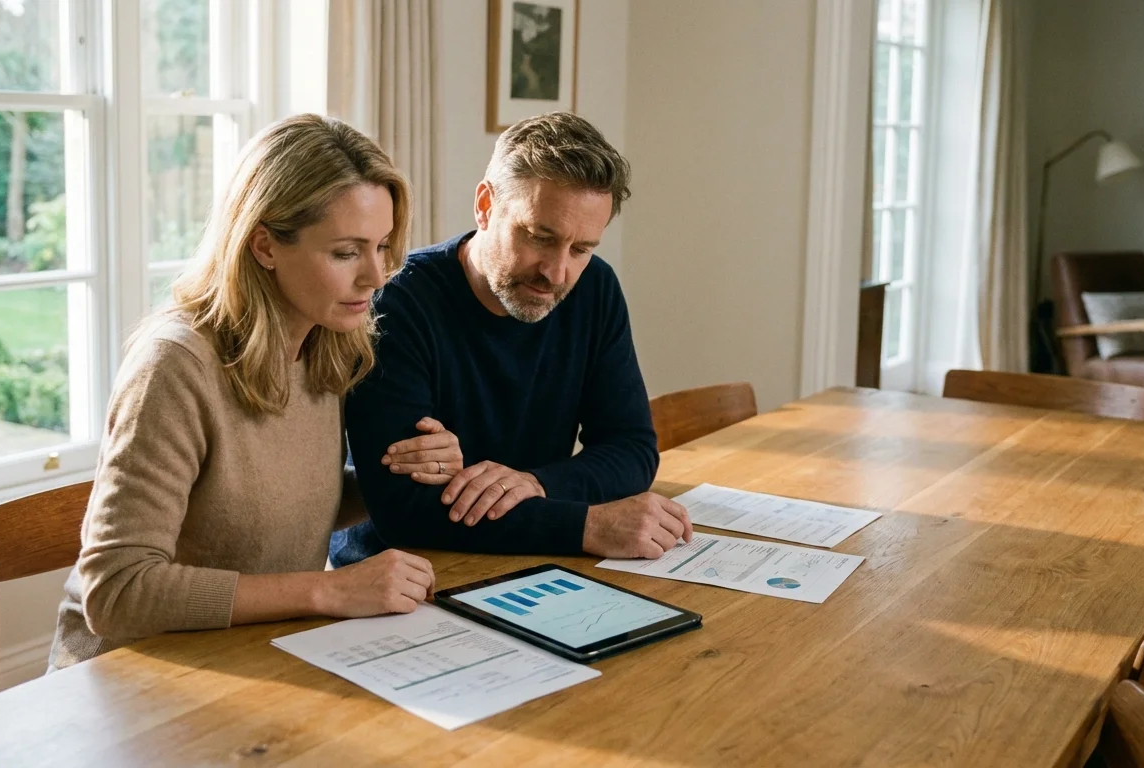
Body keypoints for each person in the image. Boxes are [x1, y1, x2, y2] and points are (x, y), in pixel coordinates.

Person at [49, 114, 465, 669]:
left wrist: (395, 474)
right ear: (265, 245)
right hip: (129, 679)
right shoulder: (174, 367)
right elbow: (117, 592)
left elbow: (270, 504)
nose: (376, 275)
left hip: (248, 658)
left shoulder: (326, 344)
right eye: (346, 252)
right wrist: (329, 591)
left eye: (382, 247)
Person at [335, 111, 692, 566]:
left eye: (581, 249)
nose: (557, 272)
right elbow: (404, 511)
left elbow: (633, 451)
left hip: (531, 559)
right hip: (401, 576)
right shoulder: (395, 304)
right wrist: (587, 525)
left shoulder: (594, 289)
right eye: (540, 237)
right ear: (485, 205)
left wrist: (538, 483)